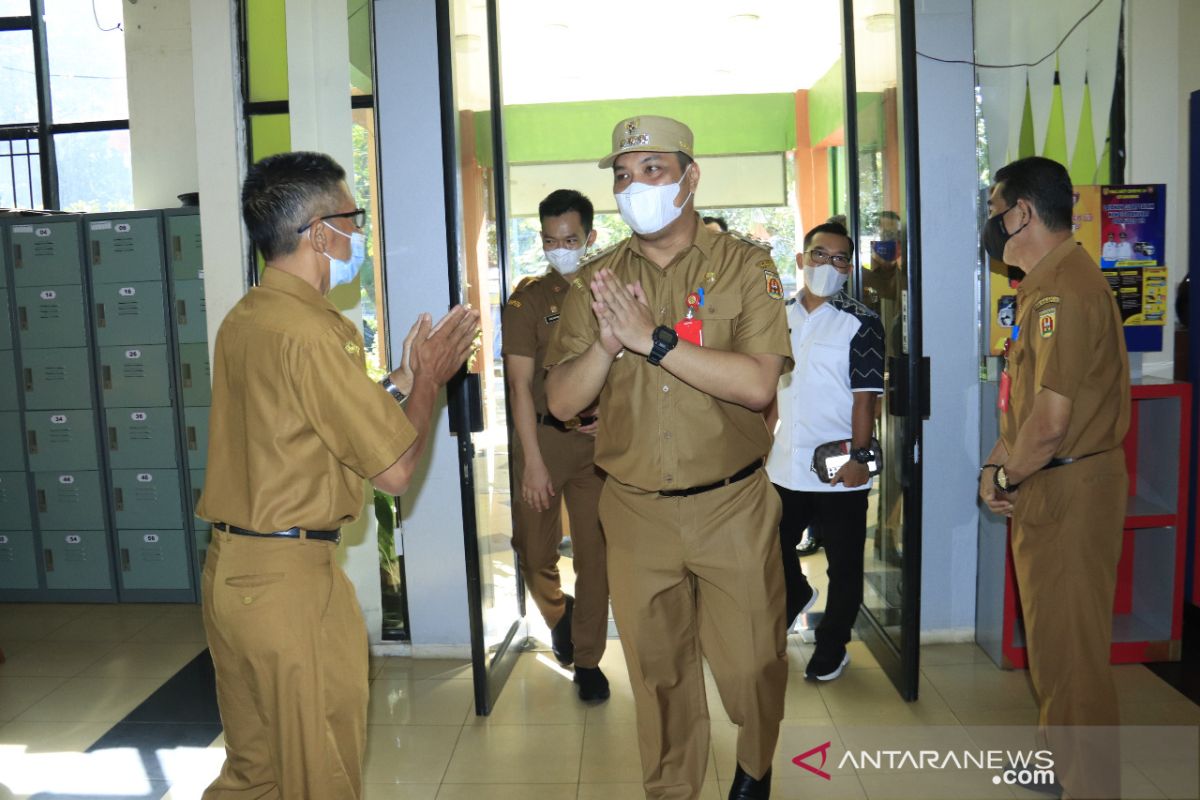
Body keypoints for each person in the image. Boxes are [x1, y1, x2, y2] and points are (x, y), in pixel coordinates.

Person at [196, 151, 480, 799]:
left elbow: (311, 420)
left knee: (255, 774)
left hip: (233, 574)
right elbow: (395, 472)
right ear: (321, 232)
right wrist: (431, 384)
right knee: (320, 772)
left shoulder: (249, 318)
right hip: (290, 590)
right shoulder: (312, 331)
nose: (359, 233)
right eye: (352, 218)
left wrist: (402, 382)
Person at [545, 115, 793, 800]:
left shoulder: (744, 266)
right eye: (622, 176)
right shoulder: (595, 284)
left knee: (751, 665)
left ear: (690, 177)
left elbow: (756, 383)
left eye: (651, 170)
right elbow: (563, 402)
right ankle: (673, 788)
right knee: (659, 676)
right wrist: (606, 342)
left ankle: (756, 759)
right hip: (633, 509)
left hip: (732, 504)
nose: (634, 187)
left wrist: (650, 339)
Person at [978, 156, 1129, 800]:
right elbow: (1023, 401)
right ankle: (1052, 763)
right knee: (1052, 640)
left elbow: (1051, 422)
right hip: (1051, 480)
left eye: (994, 212)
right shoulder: (1044, 285)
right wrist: (997, 462)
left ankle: (1091, 785)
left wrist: (1007, 474)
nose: (990, 225)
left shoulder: (1064, 292)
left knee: (1072, 652)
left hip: (1066, 486)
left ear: (1023, 213)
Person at [502, 188, 610, 702]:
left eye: (570, 238)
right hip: (543, 439)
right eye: (550, 239)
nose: (560, 248)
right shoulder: (527, 300)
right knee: (533, 550)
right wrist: (532, 463)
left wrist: (609, 418)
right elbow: (519, 386)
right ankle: (559, 615)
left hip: (599, 448)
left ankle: (587, 659)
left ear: (590, 237)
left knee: (596, 557)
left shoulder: (612, 290)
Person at [765, 222, 883, 676]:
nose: (828, 265)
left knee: (844, 566)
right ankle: (796, 593)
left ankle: (832, 644)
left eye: (838, 259)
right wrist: (760, 451)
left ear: (849, 268)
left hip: (839, 467)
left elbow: (865, 399)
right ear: (801, 259)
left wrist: (859, 459)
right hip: (783, 465)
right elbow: (771, 390)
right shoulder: (779, 316)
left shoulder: (862, 322)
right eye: (819, 254)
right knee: (772, 549)